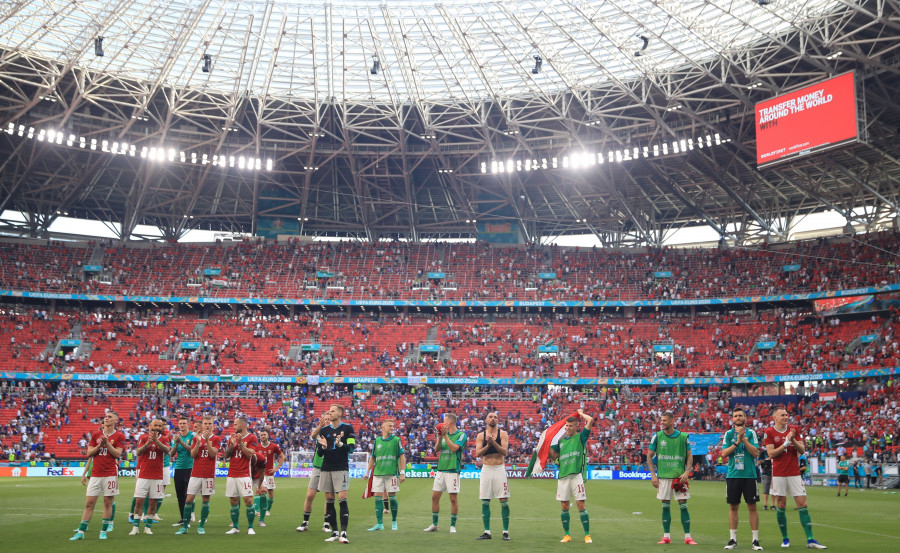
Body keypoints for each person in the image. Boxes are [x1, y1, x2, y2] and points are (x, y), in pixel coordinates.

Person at [763, 407, 826, 549]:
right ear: (775, 418)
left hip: (794, 473)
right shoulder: (769, 432)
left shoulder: (794, 429)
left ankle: (810, 539)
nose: (786, 417)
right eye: (782, 415)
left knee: (803, 504)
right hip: (779, 473)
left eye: (786, 414)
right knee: (781, 505)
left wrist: (792, 440)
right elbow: (771, 453)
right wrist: (785, 443)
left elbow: (802, 450)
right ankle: (785, 539)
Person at [70, 410, 126, 541]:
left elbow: (118, 454)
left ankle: (103, 531)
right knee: (89, 504)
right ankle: (81, 532)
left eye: (110, 417)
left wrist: (106, 444)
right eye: (105, 416)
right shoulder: (96, 435)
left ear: (115, 421)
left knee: (108, 503)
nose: (106, 418)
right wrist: (100, 445)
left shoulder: (119, 436)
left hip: (110, 474)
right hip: (95, 474)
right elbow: (89, 453)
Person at [648, 411, 696, 546]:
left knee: (683, 506)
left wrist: (687, 472)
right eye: (661, 421)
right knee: (665, 507)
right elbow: (649, 456)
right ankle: (666, 536)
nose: (661, 423)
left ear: (671, 421)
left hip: (679, 478)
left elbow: (689, 455)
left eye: (664, 421)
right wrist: (653, 475)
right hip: (663, 477)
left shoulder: (683, 437)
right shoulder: (657, 436)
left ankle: (688, 537)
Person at [549, 409, 593, 544]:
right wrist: (546, 444)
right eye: (566, 426)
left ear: (576, 427)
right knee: (564, 506)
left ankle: (587, 535)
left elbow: (590, 420)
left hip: (576, 476)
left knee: (581, 504)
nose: (568, 428)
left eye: (570, 426)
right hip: (563, 477)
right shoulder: (561, 441)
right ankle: (567, 535)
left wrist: (580, 414)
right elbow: (554, 456)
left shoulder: (581, 437)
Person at [721, 407, 763, 551]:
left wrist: (744, 439)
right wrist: (736, 442)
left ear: (745, 418)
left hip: (749, 475)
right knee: (733, 506)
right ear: (732, 419)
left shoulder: (751, 433)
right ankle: (733, 539)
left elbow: (756, 453)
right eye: (735, 416)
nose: (738, 418)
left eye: (740, 415)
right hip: (733, 475)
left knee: (752, 506)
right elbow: (724, 453)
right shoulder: (728, 434)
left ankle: (755, 540)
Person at [316, 404, 356, 544]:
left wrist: (340, 445)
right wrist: (323, 446)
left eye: (333, 411)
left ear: (340, 413)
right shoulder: (324, 430)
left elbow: (351, 449)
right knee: (329, 501)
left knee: (342, 499)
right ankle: (335, 532)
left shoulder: (348, 428)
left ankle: (343, 533)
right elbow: (320, 453)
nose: (330, 412)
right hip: (326, 468)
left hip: (341, 467)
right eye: (329, 411)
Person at [176, 414, 221, 535]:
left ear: (213, 425)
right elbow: (193, 455)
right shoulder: (196, 438)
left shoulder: (216, 439)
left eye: (209, 423)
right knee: (189, 499)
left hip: (208, 474)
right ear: (202, 425)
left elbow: (212, 454)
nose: (207, 426)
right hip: (195, 473)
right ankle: (185, 527)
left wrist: (207, 441)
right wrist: (198, 442)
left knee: (205, 499)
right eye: (205, 424)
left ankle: (201, 526)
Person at [424, 413, 467, 534]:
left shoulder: (461, 435)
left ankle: (452, 525)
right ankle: (435, 524)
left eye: (444, 421)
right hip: (441, 469)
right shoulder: (443, 435)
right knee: (434, 497)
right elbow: (437, 450)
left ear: (450, 422)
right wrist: (439, 437)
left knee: (453, 499)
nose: (442, 423)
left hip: (453, 470)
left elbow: (454, 448)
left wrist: (445, 436)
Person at [130, 418, 172, 535]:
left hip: (158, 476)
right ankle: (135, 527)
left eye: (159, 426)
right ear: (150, 426)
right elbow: (138, 452)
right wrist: (149, 442)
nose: (157, 428)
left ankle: (148, 527)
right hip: (143, 475)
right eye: (155, 425)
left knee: (153, 502)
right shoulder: (143, 437)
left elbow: (167, 450)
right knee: (139, 501)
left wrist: (156, 441)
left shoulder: (164, 438)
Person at [474, 411, 511, 541]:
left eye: (495, 417)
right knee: (485, 500)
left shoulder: (503, 434)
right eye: (490, 417)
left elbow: (504, 452)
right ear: (486, 420)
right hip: (486, 469)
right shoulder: (481, 435)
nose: (493, 419)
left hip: (499, 469)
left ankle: (505, 532)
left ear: (498, 420)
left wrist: (493, 443)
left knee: (504, 502)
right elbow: (478, 453)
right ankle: (487, 532)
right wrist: (488, 445)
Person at [367, 419, 406, 531]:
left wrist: (402, 473)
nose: (392, 427)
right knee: (377, 498)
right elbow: (373, 458)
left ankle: (394, 521)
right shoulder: (377, 441)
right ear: (383, 427)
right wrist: (367, 472)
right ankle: (379, 524)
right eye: (390, 426)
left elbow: (402, 456)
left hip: (391, 473)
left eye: (393, 426)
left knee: (392, 498)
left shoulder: (396, 440)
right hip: (378, 473)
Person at [224, 416, 259, 535]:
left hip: (244, 474)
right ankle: (235, 527)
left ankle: (250, 527)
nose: (233, 427)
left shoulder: (252, 437)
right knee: (233, 500)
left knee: (248, 500)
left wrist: (240, 444)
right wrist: (231, 445)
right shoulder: (231, 438)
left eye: (235, 424)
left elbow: (250, 454)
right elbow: (227, 456)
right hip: (231, 473)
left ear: (242, 425)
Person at [296, 413, 330, 534]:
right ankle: (305, 523)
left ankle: (326, 524)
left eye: (328, 419)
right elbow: (313, 435)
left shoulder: (335, 433)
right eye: (325, 419)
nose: (326, 421)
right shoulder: (321, 433)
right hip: (317, 467)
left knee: (328, 497)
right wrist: (320, 426)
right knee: (310, 495)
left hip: (329, 467)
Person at [255, 429, 285, 525]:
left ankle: (267, 509)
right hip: (259, 473)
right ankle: (256, 510)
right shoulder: (257, 447)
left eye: (264, 434)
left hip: (269, 473)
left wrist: (277, 468)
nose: (262, 436)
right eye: (261, 435)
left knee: (270, 492)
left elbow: (281, 456)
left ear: (268, 436)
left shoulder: (273, 446)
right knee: (258, 491)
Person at [170, 416, 195, 527]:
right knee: (180, 495)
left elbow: (192, 450)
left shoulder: (193, 436)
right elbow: (171, 454)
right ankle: (183, 518)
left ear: (188, 424)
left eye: (184, 423)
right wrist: (176, 443)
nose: (182, 425)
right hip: (179, 468)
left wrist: (181, 442)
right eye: (180, 423)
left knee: (187, 495)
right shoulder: (176, 437)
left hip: (190, 468)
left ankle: (187, 519)